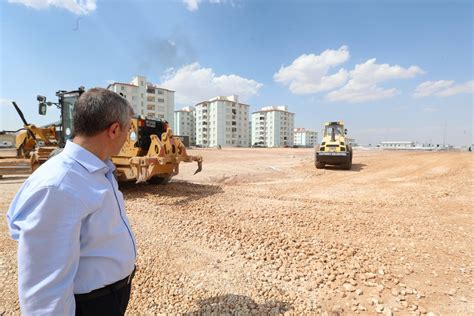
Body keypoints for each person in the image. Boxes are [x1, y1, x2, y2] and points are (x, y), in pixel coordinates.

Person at [7, 88, 137, 315]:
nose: (128, 137)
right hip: (91, 305)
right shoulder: (58, 185)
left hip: (112, 296)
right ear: (114, 130)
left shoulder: (98, 169)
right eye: (128, 130)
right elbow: (44, 289)